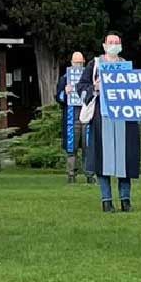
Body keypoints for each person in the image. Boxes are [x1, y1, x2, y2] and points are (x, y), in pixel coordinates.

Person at [86, 33, 141, 212]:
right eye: (111, 42)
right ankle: (106, 200)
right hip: (102, 118)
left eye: (117, 42)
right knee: (103, 159)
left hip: (124, 117)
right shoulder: (94, 65)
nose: (114, 45)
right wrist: (94, 87)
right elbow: (81, 87)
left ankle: (125, 200)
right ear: (104, 46)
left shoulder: (126, 66)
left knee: (125, 159)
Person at [56, 50, 91, 184]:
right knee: (72, 148)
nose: (78, 65)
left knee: (88, 147)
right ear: (71, 63)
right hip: (71, 116)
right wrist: (65, 92)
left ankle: (89, 174)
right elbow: (58, 98)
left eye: (80, 62)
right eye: (76, 62)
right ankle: (71, 175)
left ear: (84, 63)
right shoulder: (65, 78)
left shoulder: (89, 77)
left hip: (87, 115)